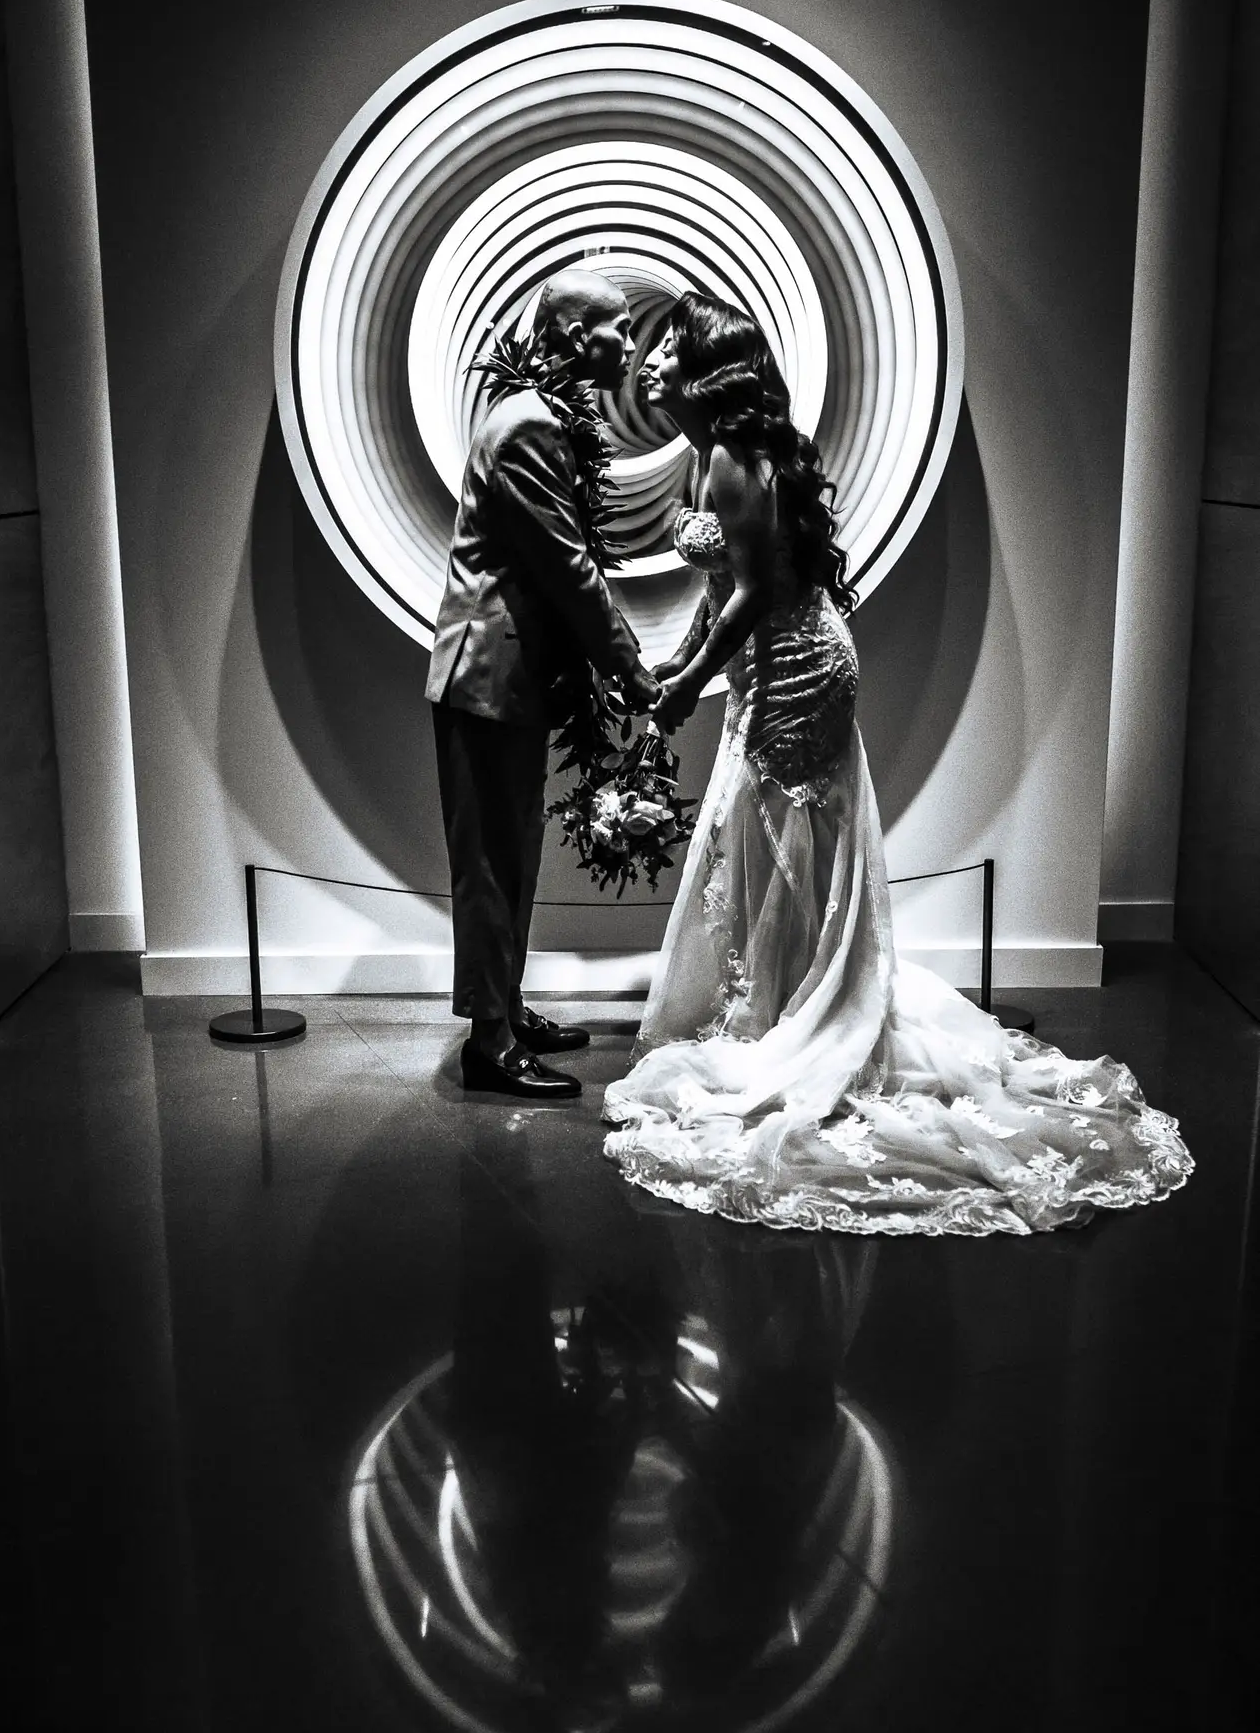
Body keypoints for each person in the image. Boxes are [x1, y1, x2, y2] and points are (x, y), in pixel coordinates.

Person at [602, 292, 1193, 1234]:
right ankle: (785, 1005)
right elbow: (731, 588)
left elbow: (752, 593)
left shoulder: (728, 459)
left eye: (671, 345)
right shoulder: (717, 454)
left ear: (709, 372)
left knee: (775, 829)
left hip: (797, 672)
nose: (652, 357)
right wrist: (682, 663)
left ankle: (798, 1019)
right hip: (777, 663)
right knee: (759, 832)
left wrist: (684, 687)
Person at [427, 269, 660, 1100]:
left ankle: (504, 1009)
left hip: (503, 677)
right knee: (491, 862)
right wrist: (630, 667)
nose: (630, 345)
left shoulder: (537, 416)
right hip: (486, 678)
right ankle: (490, 1045)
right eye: (619, 328)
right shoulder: (528, 424)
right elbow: (565, 566)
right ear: (570, 336)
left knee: (511, 854)